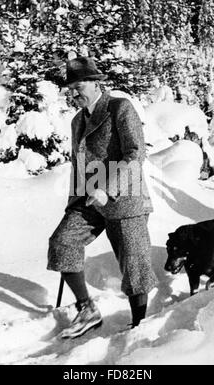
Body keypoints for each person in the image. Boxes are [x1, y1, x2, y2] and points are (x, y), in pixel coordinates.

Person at [47, 56, 158, 339]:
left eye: (79, 85)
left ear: (97, 83)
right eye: (69, 88)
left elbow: (136, 153)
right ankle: (87, 309)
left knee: (134, 265)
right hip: (89, 200)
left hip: (125, 198)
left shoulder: (119, 108)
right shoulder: (76, 121)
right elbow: (79, 165)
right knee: (63, 242)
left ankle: (139, 325)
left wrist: (108, 188)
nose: (73, 93)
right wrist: (74, 204)